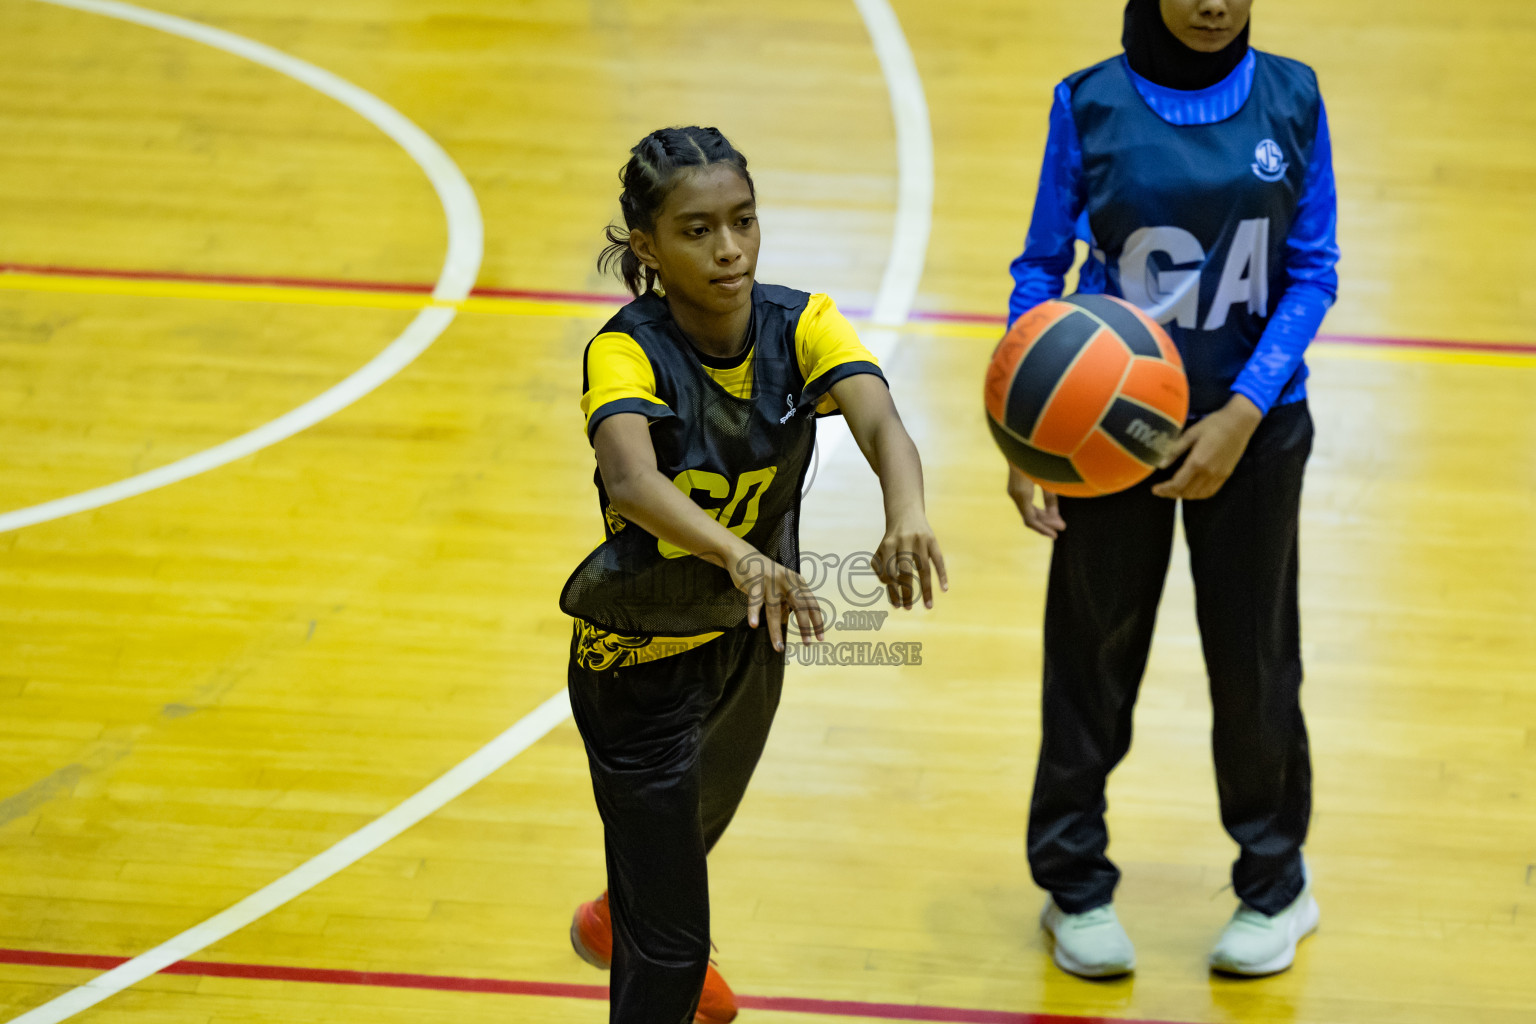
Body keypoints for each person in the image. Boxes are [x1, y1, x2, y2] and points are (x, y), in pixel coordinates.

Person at [561, 126, 947, 1023]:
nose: (729, 249)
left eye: (742, 221)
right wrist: (738, 554)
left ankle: (623, 912)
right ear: (646, 248)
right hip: (637, 659)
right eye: (697, 231)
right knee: (675, 954)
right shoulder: (624, 350)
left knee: (687, 843)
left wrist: (908, 510)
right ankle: (646, 933)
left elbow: (883, 423)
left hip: (748, 639)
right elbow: (633, 479)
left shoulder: (803, 323)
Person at [1004, 0, 1339, 979]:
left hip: (1256, 430)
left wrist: (1240, 413)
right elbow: (1040, 264)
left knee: (1256, 662)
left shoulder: (1294, 95)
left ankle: (1277, 885)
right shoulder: (1088, 102)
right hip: (1107, 435)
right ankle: (1074, 885)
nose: (1212, 3)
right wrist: (1030, 425)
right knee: (1090, 654)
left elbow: (1311, 271)